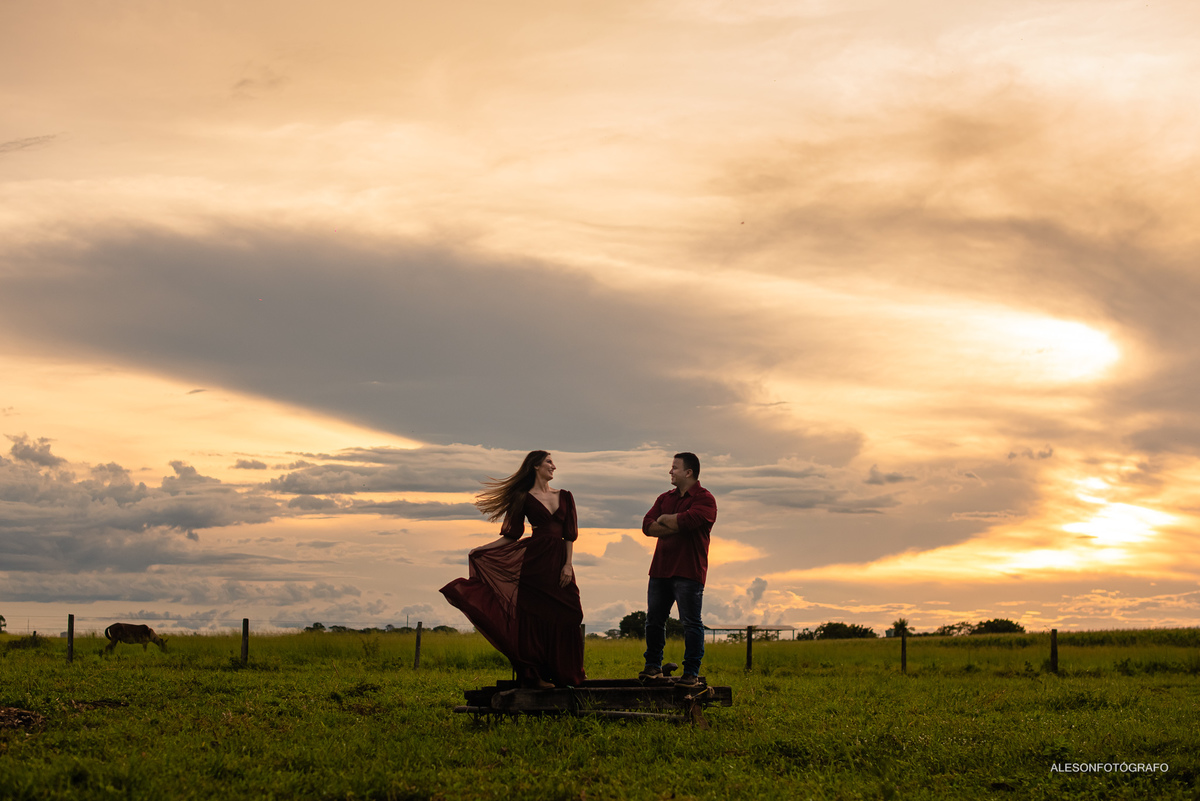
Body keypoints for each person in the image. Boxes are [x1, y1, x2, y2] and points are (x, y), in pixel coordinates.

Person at [439, 450, 585, 688]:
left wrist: (568, 564)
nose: (554, 466)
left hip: (559, 562)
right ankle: (533, 676)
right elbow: (512, 535)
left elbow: (570, 535)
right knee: (531, 616)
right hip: (534, 564)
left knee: (571, 613)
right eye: (549, 462)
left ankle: (566, 674)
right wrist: (481, 550)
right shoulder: (522, 497)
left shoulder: (566, 496)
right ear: (535, 466)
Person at [639, 452, 717, 687]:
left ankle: (691, 673)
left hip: (689, 571)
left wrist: (664, 520)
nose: (670, 472)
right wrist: (673, 523)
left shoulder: (705, 499)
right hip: (660, 570)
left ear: (688, 472)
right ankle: (653, 667)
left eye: (674, 468)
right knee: (654, 621)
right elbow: (647, 526)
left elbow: (686, 522)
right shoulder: (664, 497)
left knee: (691, 622)